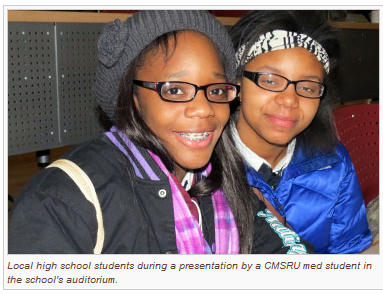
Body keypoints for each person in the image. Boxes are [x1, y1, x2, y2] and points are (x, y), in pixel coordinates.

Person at [8, 10, 312, 254]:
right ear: (133, 97)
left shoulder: (224, 182)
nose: (203, 108)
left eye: (216, 89)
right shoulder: (67, 200)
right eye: (176, 89)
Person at [229, 10, 372, 254]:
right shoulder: (203, 170)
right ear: (237, 83)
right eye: (271, 80)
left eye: (307, 86)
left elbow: (348, 252)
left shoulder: (332, 163)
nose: (289, 101)